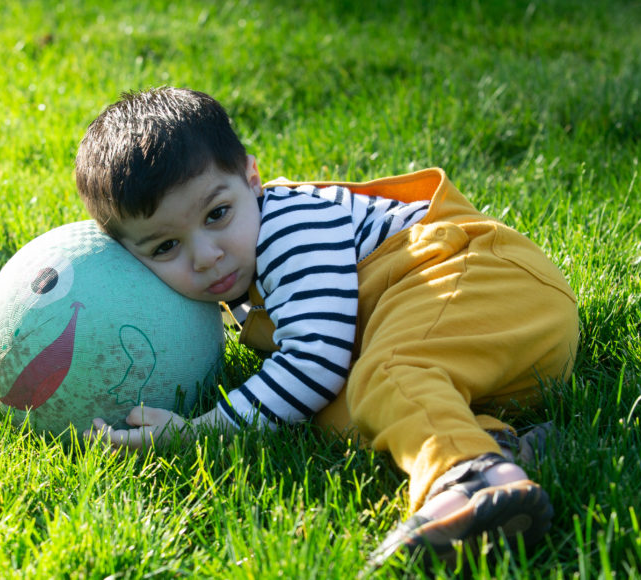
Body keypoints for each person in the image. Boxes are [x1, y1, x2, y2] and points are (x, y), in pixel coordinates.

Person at [74, 86, 579, 567]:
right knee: (336, 411)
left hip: (481, 280)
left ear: (252, 179)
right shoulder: (236, 263)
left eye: (218, 214)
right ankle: (504, 447)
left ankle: (470, 475)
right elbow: (317, 383)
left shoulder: (287, 227)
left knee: (387, 375)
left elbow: (315, 360)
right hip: (481, 348)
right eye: (165, 247)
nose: (207, 256)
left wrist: (204, 432)